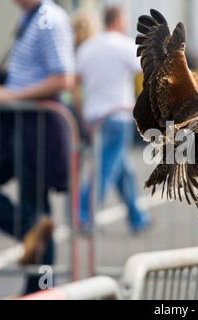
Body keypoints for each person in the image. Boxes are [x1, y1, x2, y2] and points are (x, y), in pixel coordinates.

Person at [0, 0, 75, 294]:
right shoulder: (33, 17)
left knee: (36, 209)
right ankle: (38, 279)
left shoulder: (48, 19)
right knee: (33, 213)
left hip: (35, 125)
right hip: (18, 123)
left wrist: (11, 94)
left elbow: (63, 77)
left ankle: (40, 288)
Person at [74, 6, 151, 232]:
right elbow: (146, 72)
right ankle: (82, 214)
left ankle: (138, 218)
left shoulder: (87, 47)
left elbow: (75, 84)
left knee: (122, 166)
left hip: (95, 115)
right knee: (107, 167)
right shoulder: (124, 45)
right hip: (119, 114)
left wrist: (82, 113)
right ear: (118, 20)